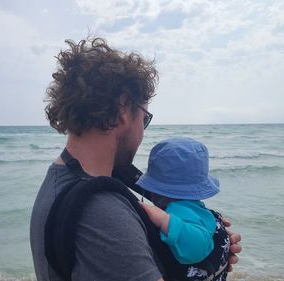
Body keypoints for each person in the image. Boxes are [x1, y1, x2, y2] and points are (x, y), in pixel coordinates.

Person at [29, 36, 241, 281]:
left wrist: (208, 250)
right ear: (122, 109)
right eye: (145, 118)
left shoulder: (61, 178)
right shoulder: (101, 212)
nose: (143, 131)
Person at [138, 137, 230, 281]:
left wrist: (164, 220)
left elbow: (196, 248)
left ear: (153, 191)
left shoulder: (177, 210)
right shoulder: (198, 210)